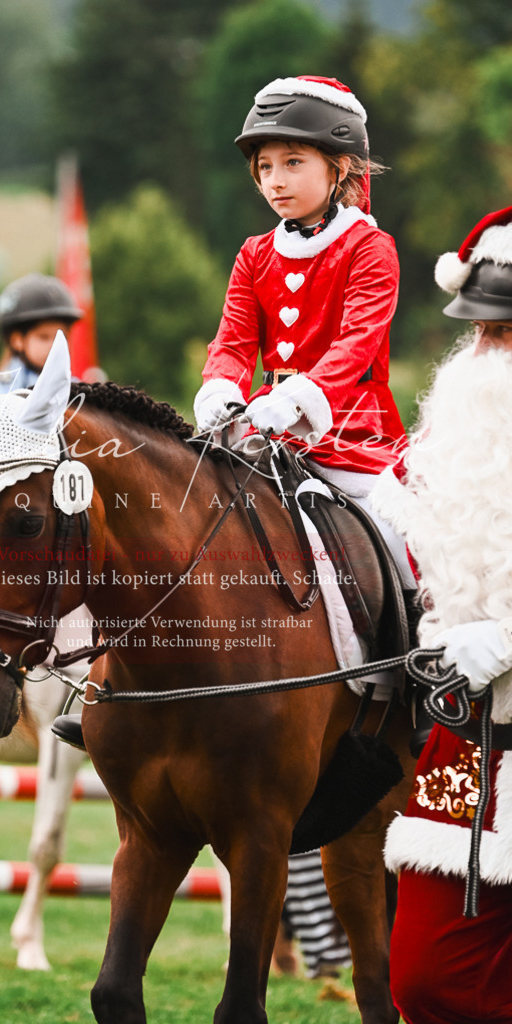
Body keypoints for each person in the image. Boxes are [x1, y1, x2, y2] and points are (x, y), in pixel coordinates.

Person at [372, 206, 512, 1024]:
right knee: (426, 976)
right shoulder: (444, 446)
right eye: (484, 334)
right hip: (465, 753)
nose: (491, 356)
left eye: (510, 335)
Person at [193, 75, 414, 585]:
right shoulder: (254, 254)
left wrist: (298, 398)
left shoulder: (369, 248)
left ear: (340, 167)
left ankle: (417, 648)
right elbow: (232, 341)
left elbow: (357, 344)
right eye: (265, 167)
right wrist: (220, 391)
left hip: (352, 428)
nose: (275, 180)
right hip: (261, 427)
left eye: (293, 163)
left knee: (400, 531)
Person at [0, 272, 83, 399]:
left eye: (62, 337)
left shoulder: (75, 386)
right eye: (44, 337)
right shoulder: (1, 392)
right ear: (17, 340)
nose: (54, 345)